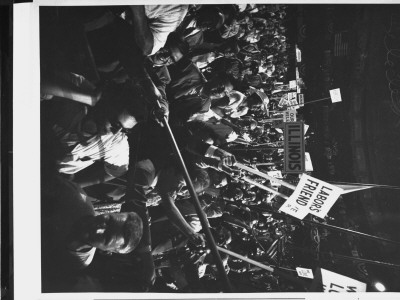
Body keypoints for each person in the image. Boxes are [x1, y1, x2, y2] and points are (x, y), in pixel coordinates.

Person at [41, 175, 143, 292]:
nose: (98, 229)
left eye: (106, 238)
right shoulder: (74, 196)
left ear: (106, 252)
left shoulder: (78, 263)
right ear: (111, 212)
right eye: (108, 220)